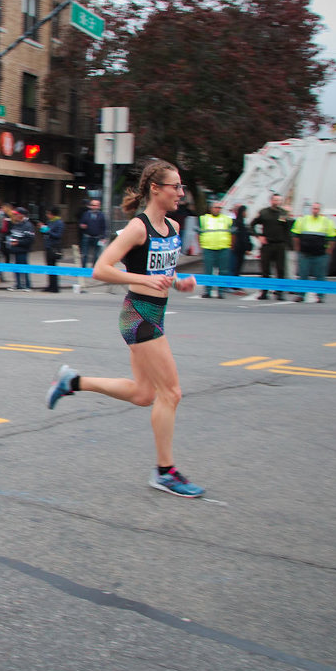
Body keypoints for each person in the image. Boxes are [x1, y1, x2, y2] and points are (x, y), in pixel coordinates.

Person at [45, 159, 204, 499]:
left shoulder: (173, 228)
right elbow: (101, 269)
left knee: (144, 395)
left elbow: (161, 272)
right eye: (175, 186)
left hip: (156, 314)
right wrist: (144, 279)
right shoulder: (137, 227)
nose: (180, 192)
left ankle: (72, 381)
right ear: (156, 189)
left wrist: (178, 282)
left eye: (181, 186)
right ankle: (165, 472)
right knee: (171, 393)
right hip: (138, 316)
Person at [290, 202, 336, 303]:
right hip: (304, 254)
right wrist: (297, 249)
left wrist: (328, 252)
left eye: (317, 209)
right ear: (310, 210)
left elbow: (333, 238)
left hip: (320, 255)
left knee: (320, 276)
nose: (315, 210)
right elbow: (295, 235)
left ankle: (320, 296)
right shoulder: (302, 220)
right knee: (303, 275)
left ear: (320, 210)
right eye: (313, 209)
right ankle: (301, 295)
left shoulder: (326, 221)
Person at [251, 193, 292, 301]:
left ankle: (279, 292)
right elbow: (252, 225)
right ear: (271, 201)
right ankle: (264, 292)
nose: (277, 202)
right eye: (275, 200)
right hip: (267, 245)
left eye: (279, 201)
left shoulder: (283, 213)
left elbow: (287, 229)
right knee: (265, 269)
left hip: (280, 245)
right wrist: (258, 236)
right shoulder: (264, 212)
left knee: (280, 270)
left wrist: (289, 244)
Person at [197, 200, 232, 298]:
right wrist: (200, 245)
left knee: (223, 271)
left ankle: (221, 292)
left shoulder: (227, 219)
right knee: (208, 271)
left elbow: (232, 233)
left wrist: (231, 245)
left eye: (219, 208)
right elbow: (198, 233)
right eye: (216, 207)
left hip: (223, 247)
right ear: (211, 208)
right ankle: (208, 291)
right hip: (208, 248)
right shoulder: (204, 219)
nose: (217, 209)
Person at [5, 207, 35, 290]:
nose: (15, 216)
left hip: (22, 250)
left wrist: (18, 242)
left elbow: (30, 239)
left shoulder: (28, 225)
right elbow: (12, 233)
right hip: (15, 249)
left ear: (22, 215)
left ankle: (27, 285)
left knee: (24, 267)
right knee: (16, 268)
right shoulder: (16, 223)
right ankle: (18, 284)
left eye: (16, 214)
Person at [77, 198, 107, 268]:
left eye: (96, 205)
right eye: (93, 205)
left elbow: (104, 227)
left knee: (96, 255)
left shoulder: (101, 215)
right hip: (87, 236)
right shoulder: (86, 214)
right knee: (85, 254)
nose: (94, 207)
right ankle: (84, 269)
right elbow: (81, 223)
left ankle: (94, 268)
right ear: (90, 206)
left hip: (97, 237)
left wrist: (103, 237)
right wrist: (82, 225)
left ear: (99, 206)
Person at [41, 206, 64, 293]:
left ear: (52, 214)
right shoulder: (49, 222)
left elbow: (58, 235)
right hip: (48, 246)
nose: (47, 215)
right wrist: (43, 229)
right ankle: (50, 285)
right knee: (49, 267)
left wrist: (48, 231)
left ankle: (55, 287)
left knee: (53, 266)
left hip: (54, 247)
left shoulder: (59, 223)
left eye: (48, 213)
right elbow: (46, 232)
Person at [230, 204, 252, 283]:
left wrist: (248, 247)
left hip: (241, 249)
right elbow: (240, 237)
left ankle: (234, 285)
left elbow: (246, 237)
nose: (246, 213)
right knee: (234, 267)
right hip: (237, 249)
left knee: (237, 268)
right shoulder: (237, 223)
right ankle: (232, 285)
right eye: (245, 211)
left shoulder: (242, 223)